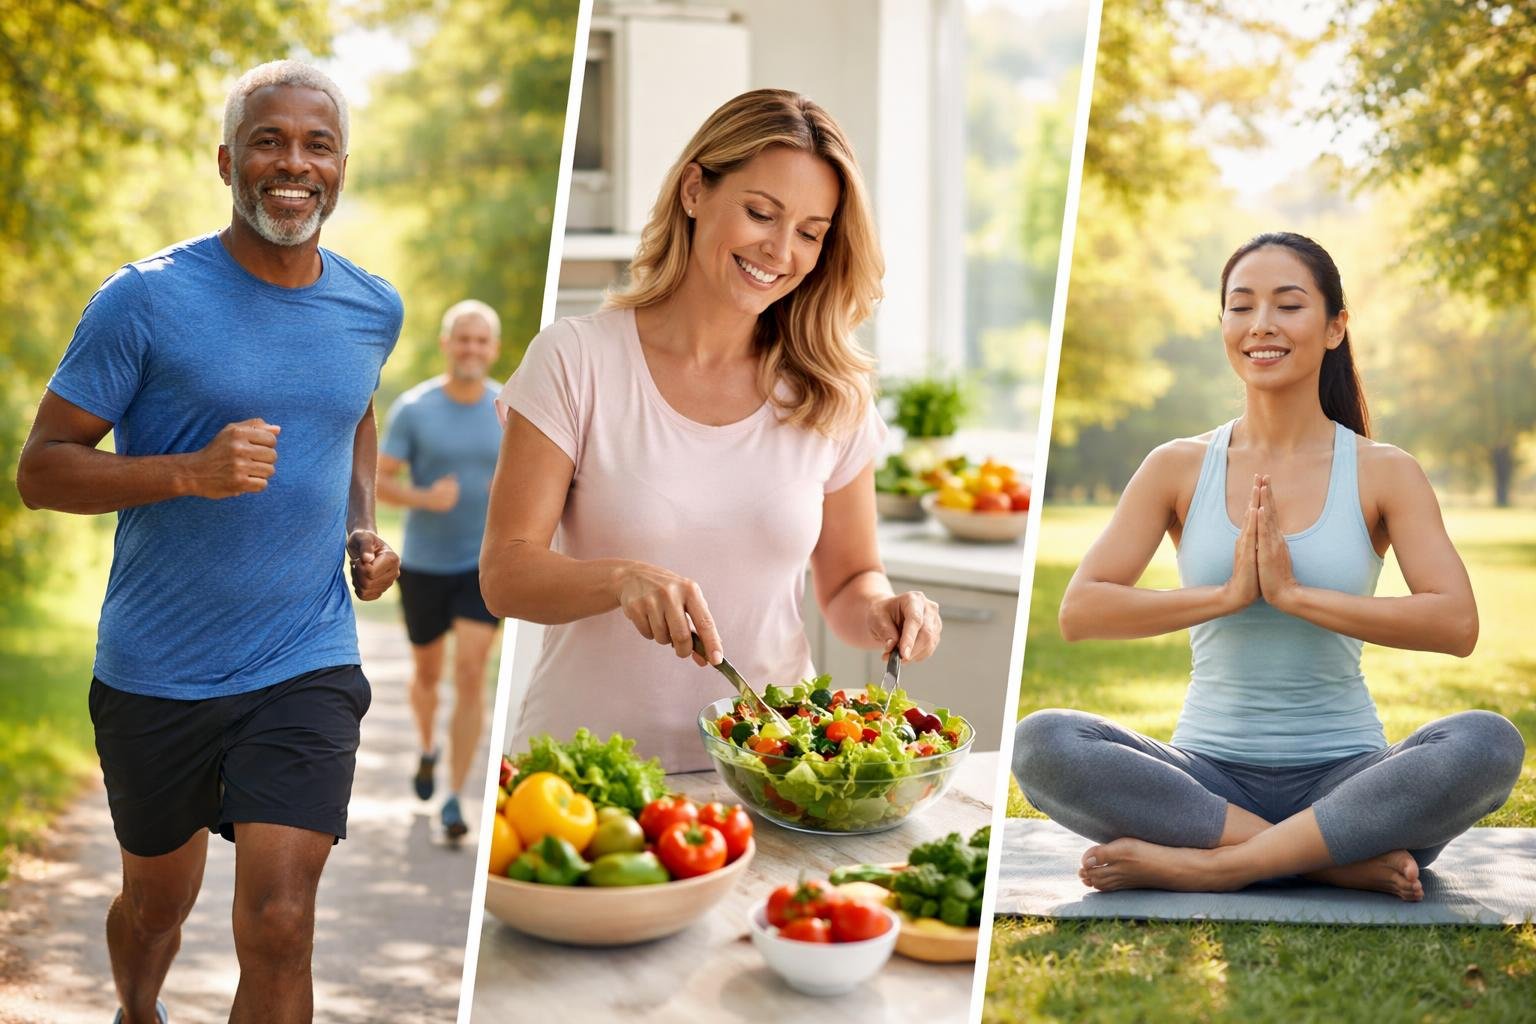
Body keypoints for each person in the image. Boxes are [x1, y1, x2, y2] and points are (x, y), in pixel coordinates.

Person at [16, 61, 402, 1023]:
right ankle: (137, 1007)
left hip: (304, 655)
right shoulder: (143, 299)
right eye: (269, 141)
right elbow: (42, 469)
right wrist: (187, 471)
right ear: (228, 162)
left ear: (341, 168)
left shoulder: (373, 308)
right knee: (156, 906)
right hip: (159, 664)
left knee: (281, 920)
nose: (294, 164)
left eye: (317, 146)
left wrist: (361, 524)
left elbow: (354, 413)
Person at [1012, 231, 1524, 901]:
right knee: (1043, 742)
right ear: (1223, 324)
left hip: (1349, 785)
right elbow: (1082, 611)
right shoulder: (1177, 465)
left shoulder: (1385, 471)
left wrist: (1295, 595)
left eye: (1288, 305)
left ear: (1335, 327)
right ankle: (1324, 862)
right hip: (1203, 786)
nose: (1261, 324)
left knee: (1487, 743)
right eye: (1241, 305)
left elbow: (1455, 624)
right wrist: (1227, 594)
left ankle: (1216, 866)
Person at [480, 89, 942, 771]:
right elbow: (506, 573)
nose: (779, 250)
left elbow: (849, 582)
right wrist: (621, 579)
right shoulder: (576, 359)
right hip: (583, 774)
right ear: (695, 190)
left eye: (811, 232)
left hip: (773, 768)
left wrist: (882, 610)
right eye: (761, 213)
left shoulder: (830, 390)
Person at [377, 299, 504, 838]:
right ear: (446, 345)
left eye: (481, 340)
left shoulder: (509, 408)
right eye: (463, 338)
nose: (471, 348)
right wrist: (424, 498)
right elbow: (378, 480)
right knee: (428, 675)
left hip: (482, 565)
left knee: (471, 672)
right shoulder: (415, 408)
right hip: (425, 564)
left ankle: (455, 796)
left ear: (493, 349)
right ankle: (428, 747)